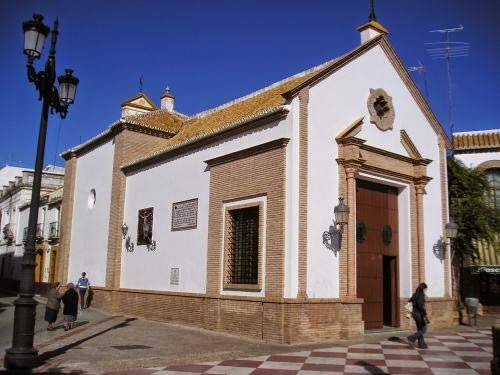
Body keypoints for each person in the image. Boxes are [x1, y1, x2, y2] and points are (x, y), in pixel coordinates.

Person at [407, 282, 430, 349]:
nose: (426, 291)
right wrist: (424, 313)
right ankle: (411, 337)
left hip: (414, 314)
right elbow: (420, 305)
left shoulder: (415, 294)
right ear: (423, 288)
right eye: (425, 289)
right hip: (419, 314)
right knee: (424, 329)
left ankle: (421, 344)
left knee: (419, 329)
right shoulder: (421, 295)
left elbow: (409, 301)